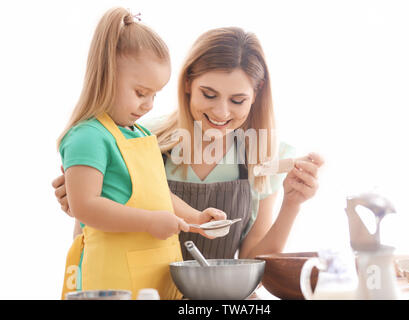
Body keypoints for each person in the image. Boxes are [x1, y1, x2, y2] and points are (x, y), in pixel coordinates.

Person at [53, 26, 323, 267]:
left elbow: (255, 261)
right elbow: (88, 232)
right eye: (209, 94)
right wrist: (83, 205)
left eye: (238, 100)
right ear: (187, 83)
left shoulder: (264, 154)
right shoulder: (140, 139)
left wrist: (292, 203)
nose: (221, 112)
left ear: (257, 93)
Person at [56, 7, 226, 300]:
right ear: (107, 75)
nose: (149, 105)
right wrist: (149, 222)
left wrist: (196, 218)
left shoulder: (142, 134)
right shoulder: (88, 136)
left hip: (159, 275)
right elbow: (84, 207)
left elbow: (159, 196)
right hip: (114, 280)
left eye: (155, 95)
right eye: (140, 92)